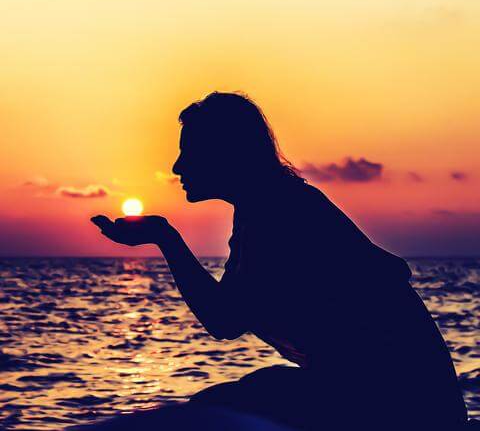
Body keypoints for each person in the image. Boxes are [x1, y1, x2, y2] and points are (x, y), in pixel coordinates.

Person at [91, 91, 468, 430]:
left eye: (189, 152)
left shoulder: (278, 211)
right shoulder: (266, 206)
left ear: (225, 153)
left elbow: (224, 319)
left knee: (218, 412)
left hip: (400, 404)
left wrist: (166, 238)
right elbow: (228, 314)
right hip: (387, 396)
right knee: (235, 401)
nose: (177, 167)